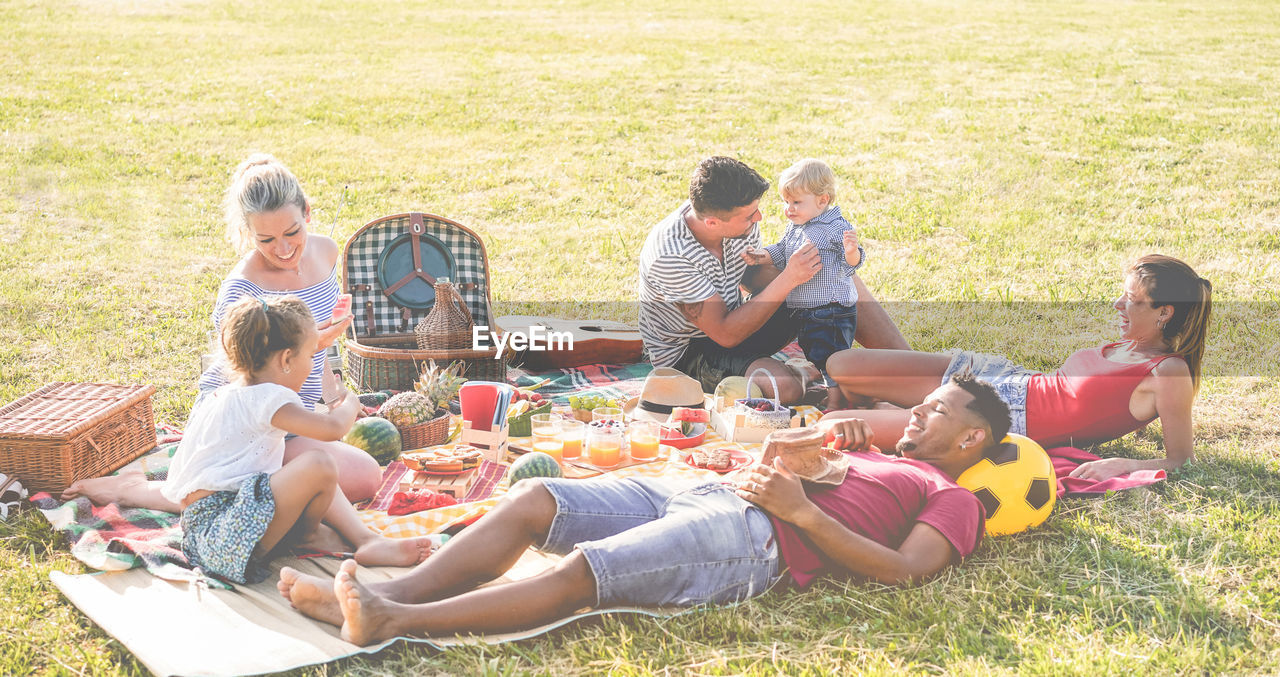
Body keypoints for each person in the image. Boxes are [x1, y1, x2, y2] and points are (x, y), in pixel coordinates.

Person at [276, 374, 1009, 645]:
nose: (917, 415)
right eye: (921, 403)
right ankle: (385, 593)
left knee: (590, 568)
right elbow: (768, 458)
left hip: (757, 538)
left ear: (971, 437)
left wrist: (807, 515)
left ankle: (393, 621)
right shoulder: (875, 453)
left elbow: (911, 570)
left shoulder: (950, 496)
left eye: (936, 411)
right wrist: (806, 439)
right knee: (537, 497)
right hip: (705, 486)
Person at [63, 154, 382, 508]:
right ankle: (136, 491)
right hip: (248, 423)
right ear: (248, 234)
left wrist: (336, 394)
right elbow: (247, 384)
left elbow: (316, 352)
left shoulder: (326, 252)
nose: (284, 248)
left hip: (293, 416)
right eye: (266, 239)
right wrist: (316, 372)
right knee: (341, 481)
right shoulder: (239, 291)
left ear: (307, 212)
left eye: (293, 232)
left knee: (366, 476)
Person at [822, 254, 1212, 482]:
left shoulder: (1168, 372)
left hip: (1001, 418)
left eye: (1131, 301)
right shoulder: (1126, 343)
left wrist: (1122, 465)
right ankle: (886, 406)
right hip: (1000, 377)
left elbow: (1182, 460)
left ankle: (886, 410)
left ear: (1164, 312)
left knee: (833, 424)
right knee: (841, 365)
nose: (1117, 306)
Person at [165, 296, 434, 583]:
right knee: (318, 464)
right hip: (226, 538)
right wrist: (350, 404)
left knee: (300, 472)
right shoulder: (267, 397)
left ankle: (360, 539)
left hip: (210, 530)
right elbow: (332, 429)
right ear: (286, 360)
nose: (311, 365)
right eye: (309, 356)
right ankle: (312, 536)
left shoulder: (231, 393)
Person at [637, 156, 910, 404]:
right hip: (691, 351)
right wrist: (790, 278)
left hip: (734, 320)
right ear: (712, 224)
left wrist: (808, 276)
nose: (759, 218)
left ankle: (913, 368)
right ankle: (814, 378)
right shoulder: (671, 256)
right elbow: (725, 334)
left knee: (831, 274)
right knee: (785, 390)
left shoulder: (733, 218)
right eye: (749, 216)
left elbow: (751, 276)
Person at [741, 159, 865, 386]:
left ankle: (839, 399)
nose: (789, 209)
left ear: (822, 200)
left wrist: (851, 252)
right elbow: (781, 250)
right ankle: (831, 390)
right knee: (815, 354)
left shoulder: (834, 226)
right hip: (808, 311)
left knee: (832, 360)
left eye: (796, 202)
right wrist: (762, 256)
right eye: (786, 202)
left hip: (832, 311)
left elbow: (854, 264)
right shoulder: (796, 226)